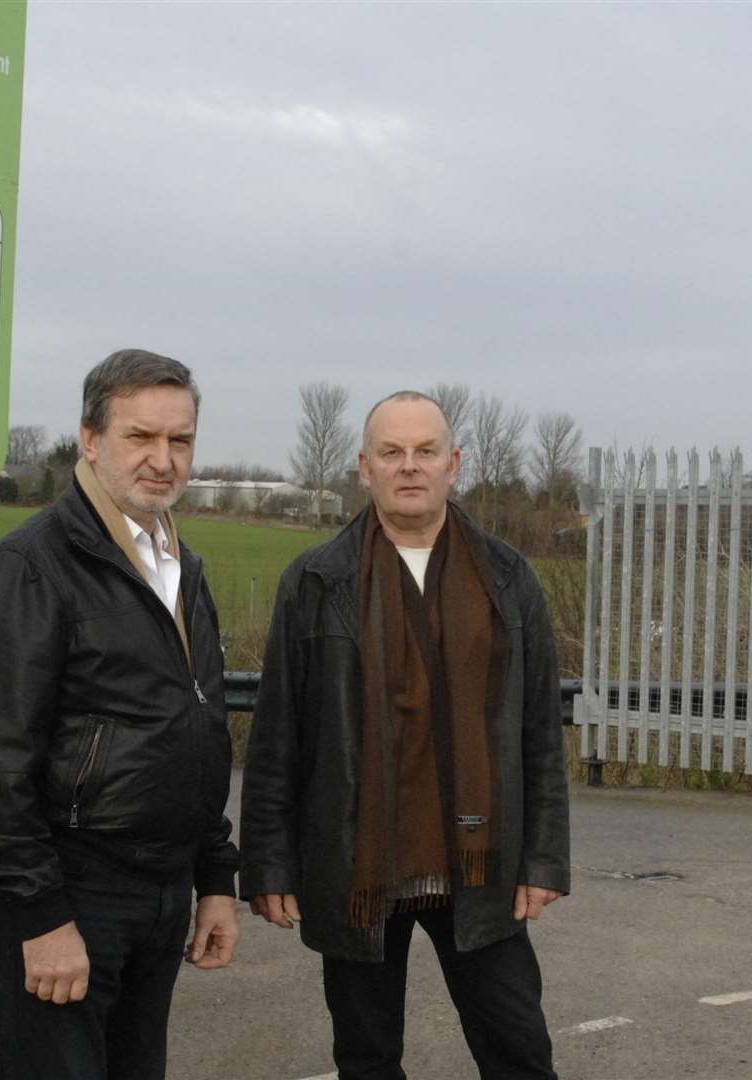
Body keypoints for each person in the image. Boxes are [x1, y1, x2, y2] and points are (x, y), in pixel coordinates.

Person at [240, 390, 571, 1080]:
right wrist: (268, 862)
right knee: (365, 1058)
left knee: (520, 1052)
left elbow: (539, 731)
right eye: (392, 452)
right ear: (364, 466)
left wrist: (544, 858)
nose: (409, 466)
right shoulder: (315, 580)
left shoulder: (509, 579)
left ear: (455, 464)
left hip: (479, 864)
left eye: (426, 452)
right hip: (357, 858)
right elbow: (279, 736)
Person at [0, 349, 240, 1080]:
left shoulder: (179, 567)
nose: (163, 460)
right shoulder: (31, 570)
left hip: (160, 893)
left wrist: (214, 879)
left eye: (180, 440)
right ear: (91, 437)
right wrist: (39, 917)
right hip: (69, 897)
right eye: (141, 437)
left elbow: (194, 726)